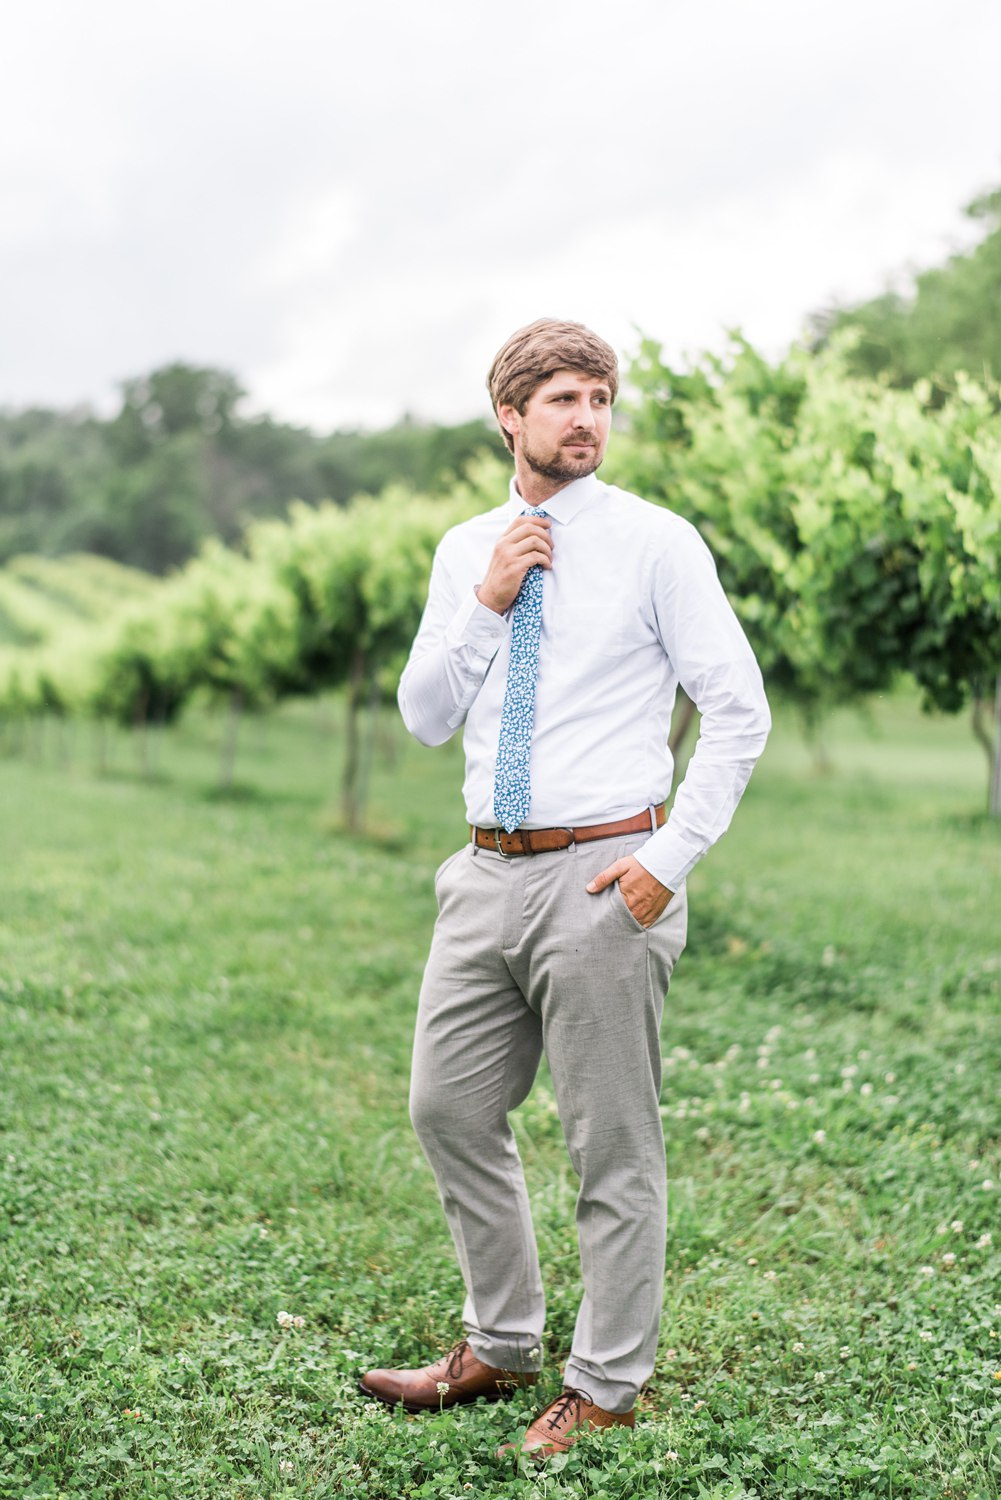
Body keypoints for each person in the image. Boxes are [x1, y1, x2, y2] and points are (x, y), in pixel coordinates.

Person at [360, 317, 770, 1462]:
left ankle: (606, 1383)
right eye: (563, 400)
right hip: (481, 873)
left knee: (611, 1148)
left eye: (599, 398)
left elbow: (737, 713)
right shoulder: (465, 550)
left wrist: (664, 863)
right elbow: (423, 715)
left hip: (605, 875)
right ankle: (500, 1342)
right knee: (446, 1109)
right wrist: (487, 600)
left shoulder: (656, 544)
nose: (586, 419)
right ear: (510, 415)